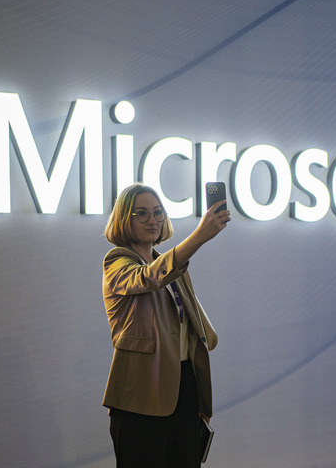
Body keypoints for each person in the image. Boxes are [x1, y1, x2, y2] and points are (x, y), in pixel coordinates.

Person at [102, 183, 230, 468]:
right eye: (142, 213)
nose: (153, 220)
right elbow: (148, 278)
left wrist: (198, 399)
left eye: (158, 212)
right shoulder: (117, 261)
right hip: (141, 392)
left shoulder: (170, 265)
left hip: (182, 387)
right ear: (125, 219)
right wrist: (199, 237)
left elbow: (194, 331)